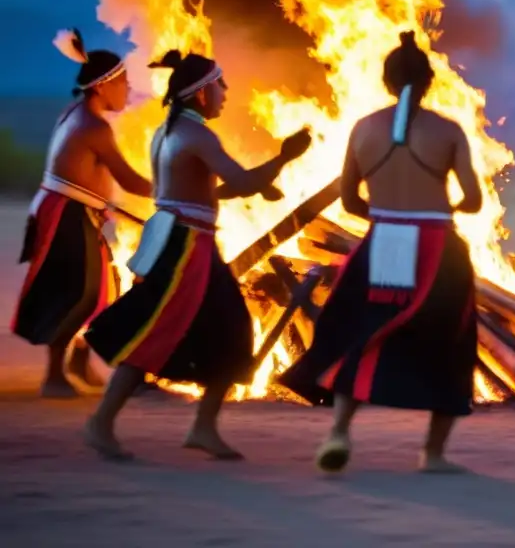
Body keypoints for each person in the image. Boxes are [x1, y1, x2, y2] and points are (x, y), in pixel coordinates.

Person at [83, 50, 311, 461]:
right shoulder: (197, 134)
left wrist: (261, 183)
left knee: (232, 330)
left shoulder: (170, 130)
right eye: (220, 85)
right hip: (187, 247)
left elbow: (202, 192)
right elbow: (240, 182)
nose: (225, 92)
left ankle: (203, 428)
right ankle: (101, 422)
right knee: (156, 331)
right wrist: (284, 157)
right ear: (203, 94)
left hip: (186, 241)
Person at [277, 30, 483, 474]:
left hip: (383, 242)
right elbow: (474, 200)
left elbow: (350, 202)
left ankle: (338, 432)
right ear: (430, 82)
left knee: (363, 333)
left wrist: (389, 212)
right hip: (437, 249)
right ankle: (432, 454)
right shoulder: (448, 132)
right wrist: (439, 206)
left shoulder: (363, 128)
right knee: (450, 344)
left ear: (387, 82)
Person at [11, 29, 151, 398]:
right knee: (77, 292)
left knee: (103, 289)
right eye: (122, 82)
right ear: (102, 86)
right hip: (66, 215)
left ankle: (79, 361)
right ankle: (53, 376)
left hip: (73, 211)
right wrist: (178, 188)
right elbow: (131, 181)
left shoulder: (76, 113)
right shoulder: (94, 127)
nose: (127, 88)